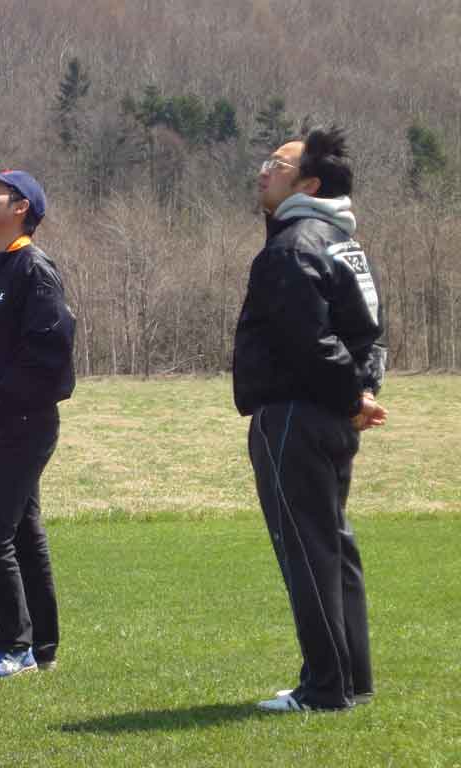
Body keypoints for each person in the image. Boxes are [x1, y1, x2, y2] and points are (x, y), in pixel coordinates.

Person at [232, 126, 388, 712]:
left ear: (310, 184)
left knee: (307, 550)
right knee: (334, 547)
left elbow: (309, 341)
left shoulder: (293, 247)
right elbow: (371, 335)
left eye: (277, 164)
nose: (262, 171)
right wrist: (361, 394)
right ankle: (352, 680)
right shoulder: (346, 245)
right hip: (331, 418)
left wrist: (351, 398)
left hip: (294, 416)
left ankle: (324, 688)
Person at [0, 165, 76, 678]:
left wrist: (2, 400)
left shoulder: (34, 269)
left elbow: (50, 354)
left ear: (21, 207)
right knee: (23, 535)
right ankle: (41, 647)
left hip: (23, 424)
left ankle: (13, 645)